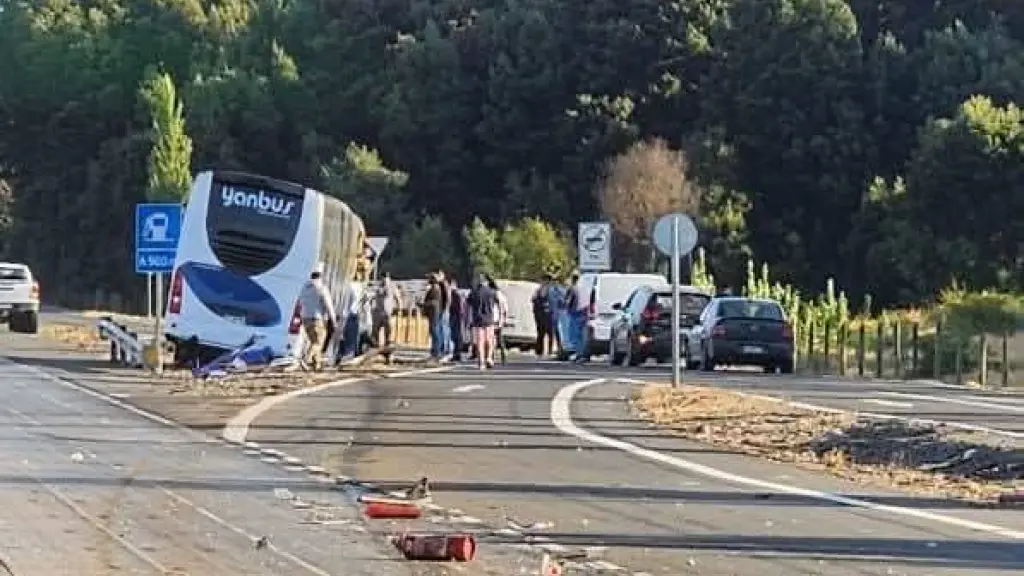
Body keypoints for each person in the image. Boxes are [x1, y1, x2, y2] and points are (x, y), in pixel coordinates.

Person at [297, 262, 337, 371]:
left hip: (305, 318)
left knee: (314, 341)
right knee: (318, 342)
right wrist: (333, 321)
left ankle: (317, 364)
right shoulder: (321, 288)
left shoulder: (304, 288)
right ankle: (306, 359)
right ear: (321, 275)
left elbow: (300, 302)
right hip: (317, 318)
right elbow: (329, 306)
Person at [467, 273, 496, 370]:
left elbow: (468, 305)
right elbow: (497, 304)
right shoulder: (491, 292)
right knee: (489, 340)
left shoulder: (473, 292)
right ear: (486, 282)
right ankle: (489, 357)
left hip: (477, 319)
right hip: (489, 318)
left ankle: (481, 362)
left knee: (480, 341)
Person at [371, 273, 402, 348]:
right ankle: (376, 344)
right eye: (383, 278)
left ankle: (387, 343)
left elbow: (398, 298)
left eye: (386, 278)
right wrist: (371, 308)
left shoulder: (393, 287)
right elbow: (372, 297)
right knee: (375, 329)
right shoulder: (378, 287)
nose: (385, 279)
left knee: (388, 328)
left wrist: (399, 308)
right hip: (377, 312)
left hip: (387, 312)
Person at [338, 276, 365, 360]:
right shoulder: (359, 287)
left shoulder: (345, 286)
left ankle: (341, 354)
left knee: (343, 335)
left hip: (343, 313)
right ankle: (348, 353)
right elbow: (360, 301)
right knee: (352, 335)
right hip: (353, 313)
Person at [422, 273, 444, 360]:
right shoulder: (433, 289)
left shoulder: (435, 289)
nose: (427, 280)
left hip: (434, 313)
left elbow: (434, 303)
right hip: (432, 313)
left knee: (435, 333)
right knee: (433, 332)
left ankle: (436, 352)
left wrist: (423, 304)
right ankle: (434, 351)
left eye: (429, 279)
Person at [488, 275, 509, 364]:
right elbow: (506, 308)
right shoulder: (501, 295)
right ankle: (503, 357)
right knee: (499, 339)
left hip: (494, 318)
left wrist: (501, 318)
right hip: (498, 318)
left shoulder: (495, 295)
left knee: (493, 339)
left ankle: (492, 356)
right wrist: (504, 318)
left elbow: (500, 307)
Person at [532, 274, 553, 356]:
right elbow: (533, 299)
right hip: (541, 315)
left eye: (544, 280)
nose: (543, 282)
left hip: (548, 315)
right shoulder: (539, 290)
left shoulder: (551, 290)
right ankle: (540, 350)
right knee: (541, 333)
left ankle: (548, 351)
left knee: (549, 333)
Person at [448, 279, 468, 361]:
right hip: (457, 316)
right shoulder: (456, 294)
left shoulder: (455, 294)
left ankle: (457, 353)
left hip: (456, 316)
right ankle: (456, 353)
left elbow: (458, 307)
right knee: (456, 336)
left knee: (456, 335)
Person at [437, 270, 453, 360]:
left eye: (439, 275)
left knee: (444, 330)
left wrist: (445, 308)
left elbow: (448, 297)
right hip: (443, 310)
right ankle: (445, 350)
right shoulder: (442, 284)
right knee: (443, 330)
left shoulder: (443, 284)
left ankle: (447, 351)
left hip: (444, 310)